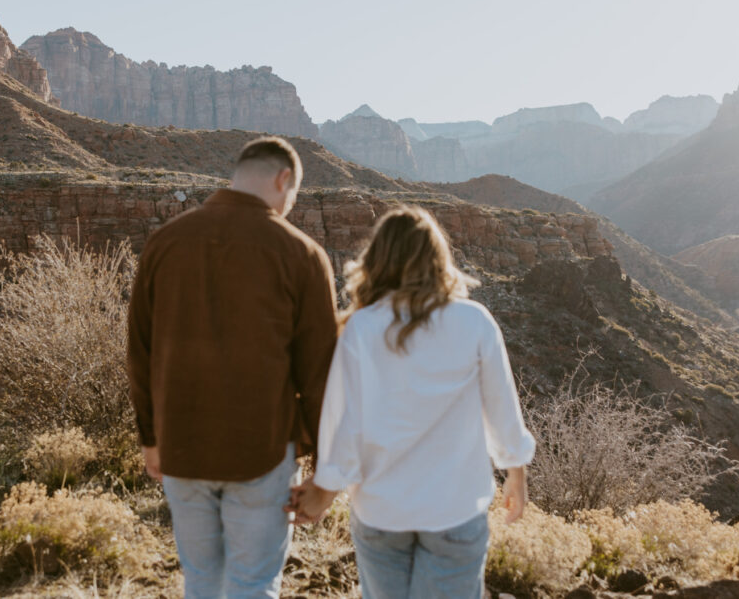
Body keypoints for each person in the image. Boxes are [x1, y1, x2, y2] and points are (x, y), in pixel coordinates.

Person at [126, 136, 339, 599]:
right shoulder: (302, 254)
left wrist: (150, 439)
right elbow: (321, 376)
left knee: (201, 581)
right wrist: (326, 474)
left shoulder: (165, 242)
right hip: (261, 453)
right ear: (284, 180)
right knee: (253, 584)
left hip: (180, 447)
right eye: (294, 195)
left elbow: (139, 353)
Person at [288, 205, 535, 599]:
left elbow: (343, 423)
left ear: (378, 261)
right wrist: (515, 473)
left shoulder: (361, 328)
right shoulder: (475, 321)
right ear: (438, 260)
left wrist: (325, 488)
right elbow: (502, 409)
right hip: (455, 510)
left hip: (382, 510)